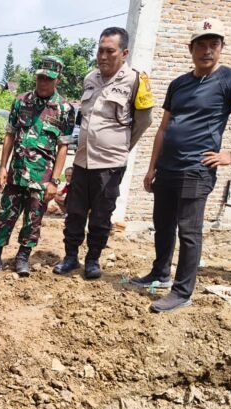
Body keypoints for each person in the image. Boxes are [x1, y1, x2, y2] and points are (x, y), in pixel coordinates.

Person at [131, 19, 231, 312]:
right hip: (167, 168)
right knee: (163, 226)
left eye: (214, 44)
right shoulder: (179, 84)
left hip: (196, 170)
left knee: (189, 231)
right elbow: (163, 128)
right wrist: (152, 166)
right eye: (202, 45)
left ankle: (183, 292)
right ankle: (160, 273)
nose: (208, 50)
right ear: (191, 49)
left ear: (221, 48)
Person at [53, 27, 154, 280]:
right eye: (100, 50)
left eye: (110, 51)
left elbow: (144, 121)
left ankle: (93, 260)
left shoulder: (136, 80)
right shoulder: (90, 78)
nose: (103, 56)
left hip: (110, 164)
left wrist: (121, 148)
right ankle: (70, 257)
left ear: (124, 53)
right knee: (74, 212)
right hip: (83, 160)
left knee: (101, 215)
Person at [0, 56, 75, 278]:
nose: (43, 82)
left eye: (48, 79)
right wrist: (2, 168)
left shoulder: (65, 109)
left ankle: (22, 257)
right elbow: (9, 134)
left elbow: (62, 148)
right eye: (40, 77)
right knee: (5, 216)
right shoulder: (21, 101)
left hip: (42, 177)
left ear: (57, 79)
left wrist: (55, 181)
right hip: (16, 172)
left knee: (33, 220)